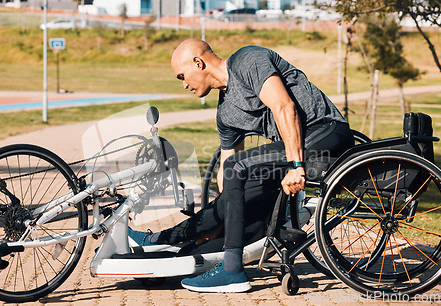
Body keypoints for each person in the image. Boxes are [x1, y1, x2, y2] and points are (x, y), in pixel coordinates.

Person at [132, 39, 354, 293]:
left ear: (198, 62)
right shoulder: (226, 113)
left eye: (183, 76)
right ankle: (158, 241)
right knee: (230, 205)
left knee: (238, 165)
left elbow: (285, 106)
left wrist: (295, 166)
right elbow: (226, 164)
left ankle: (232, 271)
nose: (184, 84)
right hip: (294, 148)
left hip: (324, 132)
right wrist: (221, 218)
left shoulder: (247, 60)